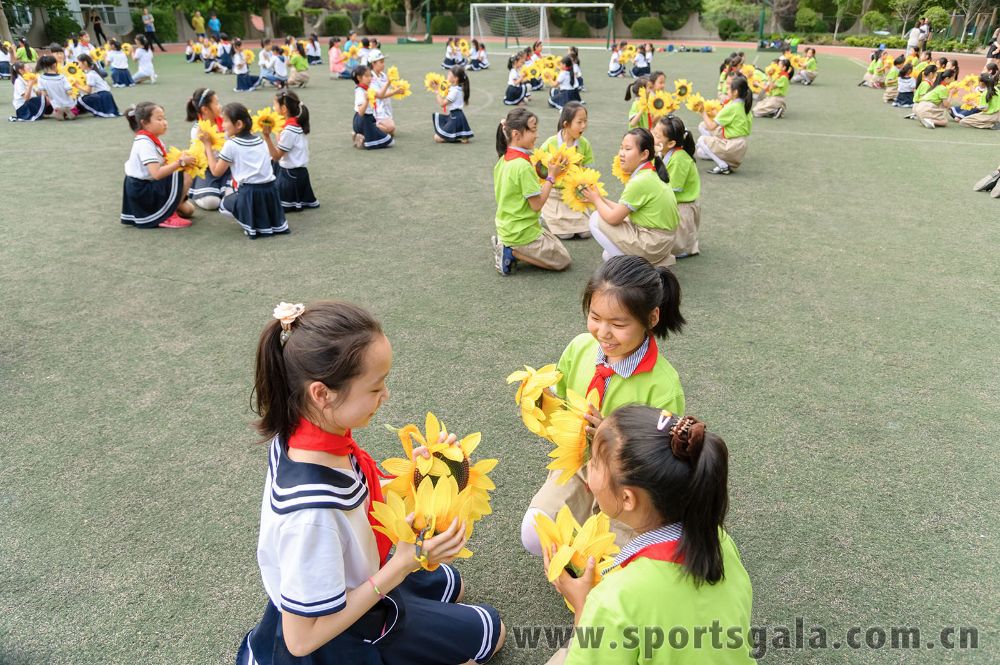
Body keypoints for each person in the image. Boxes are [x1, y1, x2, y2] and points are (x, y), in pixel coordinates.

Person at [236, 300, 505, 664]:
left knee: (452, 586)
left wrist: (421, 475)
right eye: (376, 387)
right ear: (322, 393)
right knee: (492, 634)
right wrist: (401, 566)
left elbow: (359, 499)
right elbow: (300, 640)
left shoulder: (303, 430)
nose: (385, 395)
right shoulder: (311, 518)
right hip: (333, 637)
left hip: (352, 575)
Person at [541, 406, 753, 665]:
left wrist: (583, 607)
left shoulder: (615, 598)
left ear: (627, 498)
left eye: (594, 463)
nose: (587, 467)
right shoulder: (720, 540)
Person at [520, 255, 686, 554]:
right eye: (595, 317)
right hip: (580, 465)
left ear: (652, 319)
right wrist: (539, 401)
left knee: (615, 562)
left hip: (630, 486)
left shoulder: (663, 386)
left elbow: (661, 463)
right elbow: (559, 404)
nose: (603, 332)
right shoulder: (580, 347)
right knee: (535, 534)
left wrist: (610, 439)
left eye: (618, 324)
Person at [491, 108, 571, 275]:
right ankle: (510, 251)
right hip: (520, 232)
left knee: (555, 244)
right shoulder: (522, 166)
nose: (536, 135)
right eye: (533, 130)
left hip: (510, 226)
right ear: (516, 134)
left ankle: (506, 243)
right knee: (562, 260)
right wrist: (551, 176)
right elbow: (537, 205)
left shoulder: (504, 158)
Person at [586, 129, 681, 267]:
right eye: (621, 147)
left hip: (652, 243)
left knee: (595, 218)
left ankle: (637, 269)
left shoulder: (640, 180)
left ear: (644, 154)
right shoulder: (650, 173)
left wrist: (596, 200)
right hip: (661, 242)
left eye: (628, 149)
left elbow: (613, 218)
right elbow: (621, 210)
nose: (621, 153)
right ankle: (637, 266)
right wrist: (599, 198)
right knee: (608, 255)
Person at [201, 102, 288, 238]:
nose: (222, 125)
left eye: (225, 121)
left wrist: (207, 145)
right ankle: (264, 219)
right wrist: (267, 136)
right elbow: (275, 158)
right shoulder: (260, 140)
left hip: (250, 193)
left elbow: (216, 172)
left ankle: (250, 220)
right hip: (271, 193)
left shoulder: (231, 144)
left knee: (224, 205)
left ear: (239, 124)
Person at [120, 102, 195, 229]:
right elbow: (157, 174)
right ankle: (168, 215)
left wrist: (180, 158)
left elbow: (164, 164)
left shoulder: (152, 139)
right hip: (142, 190)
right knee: (186, 175)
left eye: (164, 118)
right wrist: (180, 162)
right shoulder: (144, 143)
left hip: (147, 185)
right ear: (144, 123)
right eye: (159, 119)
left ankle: (169, 209)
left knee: (189, 210)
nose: (165, 122)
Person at [538, 102, 594, 239]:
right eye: (579, 122)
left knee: (586, 232)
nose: (584, 126)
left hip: (574, 194)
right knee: (565, 235)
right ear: (566, 124)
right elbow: (538, 168)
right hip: (554, 194)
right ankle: (544, 214)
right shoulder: (550, 143)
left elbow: (588, 169)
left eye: (585, 121)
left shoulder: (584, 144)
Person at [653, 115, 701, 259]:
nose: (652, 136)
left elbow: (668, 191)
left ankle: (685, 246)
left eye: (657, 135)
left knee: (666, 249)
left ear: (671, 143)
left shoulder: (679, 159)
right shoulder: (667, 154)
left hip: (682, 209)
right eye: (653, 131)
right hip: (676, 204)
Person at [262, 90, 319, 211]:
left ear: (283, 109)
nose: (273, 108)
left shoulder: (289, 130)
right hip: (299, 173)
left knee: (268, 204)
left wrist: (267, 137)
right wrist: (276, 128)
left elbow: (277, 156)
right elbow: (282, 145)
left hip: (290, 175)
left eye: (274, 105)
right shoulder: (295, 124)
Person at [695, 75, 753, 175]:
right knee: (700, 151)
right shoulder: (745, 105)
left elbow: (711, 127)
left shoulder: (732, 107)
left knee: (701, 140)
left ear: (735, 92)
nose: (727, 89)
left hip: (731, 146)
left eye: (729, 88)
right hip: (741, 146)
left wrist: (703, 113)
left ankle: (722, 165)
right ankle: (724, 162)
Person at [352, 64, 393, 149]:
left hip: (367, 120)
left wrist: (388, 83)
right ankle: (362, 140)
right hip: (363, 120)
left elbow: (380, 95)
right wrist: (366, 101)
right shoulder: (360, 91)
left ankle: (359, 134)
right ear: (359, 78)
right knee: (389, 141)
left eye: (370, 75)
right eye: (366, 76)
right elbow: (361, 112)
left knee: (386, 132)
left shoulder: (368, 89)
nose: (370, 78)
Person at [433, 65, 473, 143]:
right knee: (439, 134)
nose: (447, 75)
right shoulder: (455, 88)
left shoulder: (454, 91)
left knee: (437, 138)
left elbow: (442, 104)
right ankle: (460, 137)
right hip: (455, 116)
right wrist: (439, 86)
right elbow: (445, 89)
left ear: (455, 79)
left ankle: (458, 139)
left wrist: (437, 92)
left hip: (456, 118)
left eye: (449, 74)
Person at [34, 55, 76, 120]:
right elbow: (69, 92)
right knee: (74, 110)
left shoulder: (41, 78)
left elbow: (44, 94)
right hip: (68, 103)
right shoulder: (62, 77)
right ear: (54, 65)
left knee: (58, 111)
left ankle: (58, 112)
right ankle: (69, 111)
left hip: (55, 104)